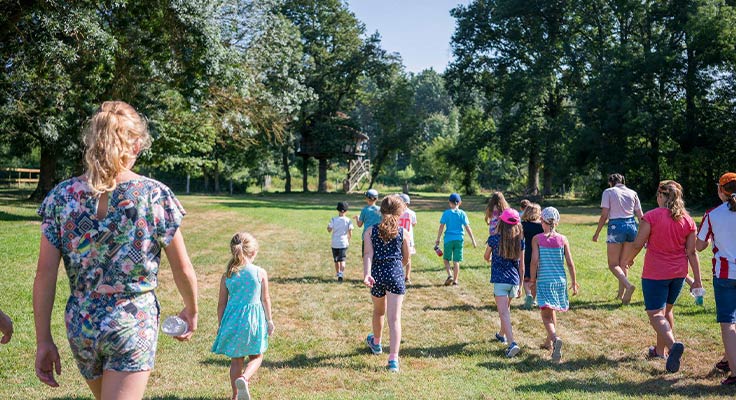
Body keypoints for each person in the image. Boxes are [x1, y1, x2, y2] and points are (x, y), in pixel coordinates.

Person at [33, 101, 198, 399]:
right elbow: (182, 267)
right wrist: (192, 309)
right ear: (135, 144)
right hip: (131, 322)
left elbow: (44, 274)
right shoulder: (154, 195)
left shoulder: (61, 197)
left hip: (82, 324)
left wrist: (43, 339)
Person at [623, 180, 702, 373]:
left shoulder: (651, 217)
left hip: (656, 273)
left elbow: (638, 244)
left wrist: (628, 260)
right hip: (679, 274)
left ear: (661, 196)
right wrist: (697, 280)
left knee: (655, 314)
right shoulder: (688, 220)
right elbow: (692, 253)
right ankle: (660, 351)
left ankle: (673, 346)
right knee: (667, 311)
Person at [212, 232, 274, 400]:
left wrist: (221, 324)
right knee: (257, 356)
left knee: (236, 360)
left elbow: (221, 303)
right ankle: (244, 379)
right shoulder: (260, 272)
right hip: (253, 320)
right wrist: (269, 320)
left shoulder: (228, 275)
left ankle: (235, 396)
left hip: (232, 321)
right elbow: (265, 299)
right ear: (253, 252)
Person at [696, 172, 736, 385]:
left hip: (725, 274)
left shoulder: (713, 214)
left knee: (728, 322)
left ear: (721, 190)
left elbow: (699, 246)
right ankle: (727, 359)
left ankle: (734, 370)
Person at [363, 195, 410, 372]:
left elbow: (368, 255)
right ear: (399, 212)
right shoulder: (402, 232)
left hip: (376, 277)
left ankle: (376, 342)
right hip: (396, 276)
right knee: (395, 318)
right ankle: (393, 360)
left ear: (380, 211)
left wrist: (367, 274)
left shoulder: (370, 231)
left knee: (378, 311)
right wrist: (397, 269)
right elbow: (406, 258)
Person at [529, 207, 579, 362]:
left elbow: (534, 261)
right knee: (552, 312)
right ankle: (548, 341)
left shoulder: (537, 239)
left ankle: (555, 339)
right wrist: (574, 281)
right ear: (556, 222)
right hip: (559, 282)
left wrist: (532, 280)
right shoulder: (563, 239)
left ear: (542, 221)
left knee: (545, 316)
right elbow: (570, 263)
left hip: (545, 281)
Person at [592, 173, 643, 304]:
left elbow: (604, 215)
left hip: (616, 226)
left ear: (611, 182)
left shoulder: (608, 192)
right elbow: (640, 215)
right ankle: (621, 295)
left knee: (613, 264)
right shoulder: (633, 193)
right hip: (632, 226)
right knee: (623, 263)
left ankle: (628, 285)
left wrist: (597, 233)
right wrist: (643, 234)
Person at [484, 208, 525, 358]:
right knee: (506, 310)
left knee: (503, 312)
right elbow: (521, 266)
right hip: (514, 281)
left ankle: (512, 343)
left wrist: (490, 258)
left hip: (500, 280)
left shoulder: (494, 239)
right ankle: (501, 334)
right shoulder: (520, 242)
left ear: (501, 222)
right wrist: (520, 285)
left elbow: (486, 256)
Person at [436, 193, 478, 286]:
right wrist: (473, 240)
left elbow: (441, 227)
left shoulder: (446, 213)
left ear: (449, 203)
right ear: (460, 203)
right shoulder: (462, 213)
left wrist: (438, 239)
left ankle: (449, 275)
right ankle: (455, 281)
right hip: (459, 240)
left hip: (448, 240)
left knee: (446, 259)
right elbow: (468, 227)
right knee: (456, 261)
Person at [521, 203, 545, 309]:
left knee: (526, 277)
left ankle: (528, 295)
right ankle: (534, 299)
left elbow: (520, 240)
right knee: (535, 277)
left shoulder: (523, 225)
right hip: (538, 254)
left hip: (526, 253)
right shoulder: (541, 226)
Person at [328, 202, 354, 282]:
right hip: (343, 242)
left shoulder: (333, 219)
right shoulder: (348, 220)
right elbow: (350, 231)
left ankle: (338, 272)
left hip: (335, 242)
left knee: (336, 259)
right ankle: (341, 273)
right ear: (346, 211)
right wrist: (349, 239)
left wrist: (329, 227)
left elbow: (329, 229)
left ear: (337, 210)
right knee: (342, 259)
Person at [355, 189, 381, 257]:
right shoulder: (380, 210)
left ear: (367, 198)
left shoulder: (364, 210)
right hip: (378, 236)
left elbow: (359, 225)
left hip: (367, 237)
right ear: (377, 199)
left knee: (366, 256)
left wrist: (357, 218)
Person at [398, 193, 417, 284]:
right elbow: (414, 224)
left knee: (398, 257)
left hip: (398, 237)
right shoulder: (412, 213)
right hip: (408, 238)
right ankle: (407, 276)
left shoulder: (397, 213)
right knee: (408, 257)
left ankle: (399, 274)